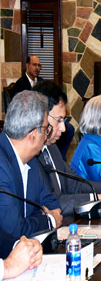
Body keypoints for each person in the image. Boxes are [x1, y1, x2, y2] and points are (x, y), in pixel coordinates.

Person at [32, 82, 101, 215]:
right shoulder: (31, 156)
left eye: (63, 121)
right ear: (41, 117)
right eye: (58, 120)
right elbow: (52, 203)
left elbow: (74, 184)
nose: (64, 128)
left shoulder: (51, 148)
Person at [0, 91, 62, 244]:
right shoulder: (1, 165)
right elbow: (14, 231)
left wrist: (38, 217)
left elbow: (52, 203)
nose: (47, 134)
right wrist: (49, 220)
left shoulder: (31, 159)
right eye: (46, 129)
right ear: (33, 135)